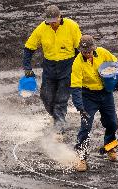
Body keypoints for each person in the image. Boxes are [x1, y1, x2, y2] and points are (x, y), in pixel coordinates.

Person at [22, 5, 82, 137]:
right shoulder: (42, 28)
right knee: (46, 96)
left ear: (60, 17)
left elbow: (79, 49)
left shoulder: (72, 26)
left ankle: (59, 127)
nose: (52, 24)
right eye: (49, 22)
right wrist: (27, 67)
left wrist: (80, 68)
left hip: (67, 65)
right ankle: (56, 117)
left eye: (54, 21)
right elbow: (28, 48)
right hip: (49, 66)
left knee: (61, 98)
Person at [70, 35, 118, 172]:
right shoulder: (77, 63)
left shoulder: (102, 52)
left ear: (93, 48)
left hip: (105, 94)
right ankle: (81, 157)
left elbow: (116, 66)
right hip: (88, 96)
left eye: (89, 51)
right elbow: (75, 87)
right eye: (85, 52)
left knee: (112, 122)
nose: (87, 54)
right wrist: (79, 106)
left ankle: (110, 146)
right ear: (81, 50)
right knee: (86, 126)